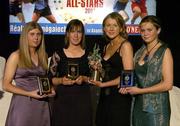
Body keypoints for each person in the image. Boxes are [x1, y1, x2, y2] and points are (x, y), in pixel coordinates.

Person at [2, 21, 55, 126]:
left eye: (38, 34)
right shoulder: (16, 56)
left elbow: (44, 80)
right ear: (25, 36)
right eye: (32, 34)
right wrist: (29, 93)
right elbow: (5, 85)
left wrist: (50, 89)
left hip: (42, 104)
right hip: (23, 104)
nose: (36, 38)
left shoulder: (43, 55)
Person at [126, 15, 173, 126]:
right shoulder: (139, 52)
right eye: (142, 30)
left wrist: (139, 91)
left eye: (149, 30)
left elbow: (167, 84)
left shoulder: (164, 51)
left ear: (158, 30)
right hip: (138, 105)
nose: (145, 33)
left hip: (156, 109)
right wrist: (125, 86)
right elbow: (133, 77)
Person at [90, 12, 134, 126]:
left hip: (119, 97)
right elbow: (109, 72)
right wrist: (98, 69)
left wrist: (103, 85)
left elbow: (128, 76)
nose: (111, 28)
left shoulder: (125, 45)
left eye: (115, 25)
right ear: (104, 28)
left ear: (121, 28)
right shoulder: (107, 46)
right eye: (108, 25)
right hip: (105, 96)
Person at [48, 19, 93, 126]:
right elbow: (50, 78)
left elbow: (96, 79)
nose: (76, 35)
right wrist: (61, 80)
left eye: (79, 32)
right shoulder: (58, 54)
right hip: (62, 101)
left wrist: (84, 79)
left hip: (83, 102)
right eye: (73, 31)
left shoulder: (89, 55)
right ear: (67, 34)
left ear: (82, 35)